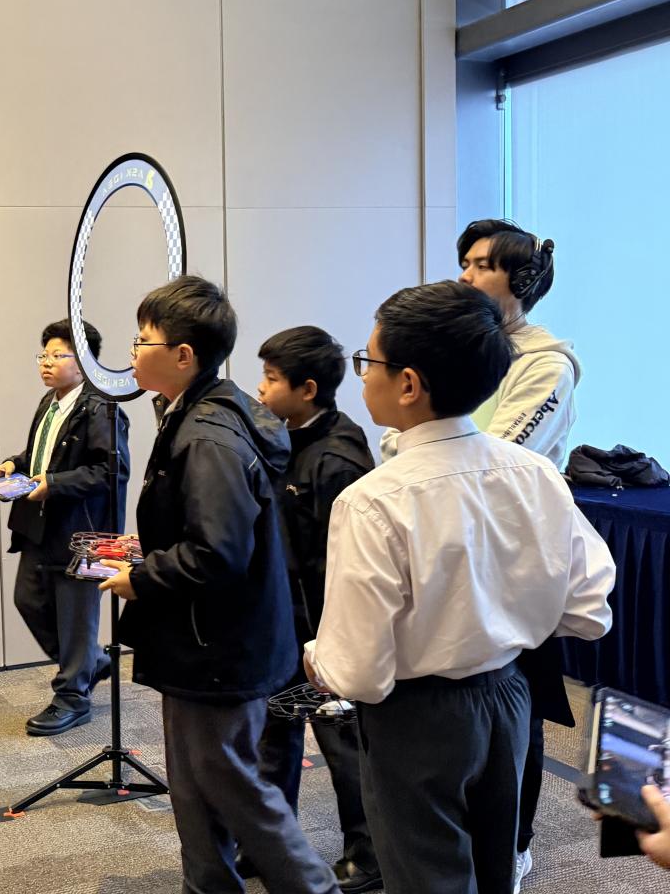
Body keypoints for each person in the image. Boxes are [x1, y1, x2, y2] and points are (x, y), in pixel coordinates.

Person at [306, 280, 615, 894]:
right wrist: (506, 617)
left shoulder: (373, 500)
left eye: (368, 361)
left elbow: (360, 673)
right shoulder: (535, 472)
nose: (362, 376)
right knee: (496, 869)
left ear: (409, 384)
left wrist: (320, 660)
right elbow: (589, 608)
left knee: (427, 877)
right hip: (510, 695)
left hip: (416, 716)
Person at [97, 276, 338, 894]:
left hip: (218, 646)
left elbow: (217, 552)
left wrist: (142, 577)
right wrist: (149, 550)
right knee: (194, 780)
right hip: (205, 639)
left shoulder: (207, 434)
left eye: (143, 339)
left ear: (184, 355)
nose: (133, 350)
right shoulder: (194, 412)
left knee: (229, 780)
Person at [382, 219, 582, 892]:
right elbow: (410, 431)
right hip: (450, 536)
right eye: (464, 262)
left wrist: (427, 448)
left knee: (516, 697)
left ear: (519, 280)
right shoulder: (462, 344)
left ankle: (514, 843)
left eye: (480, 265)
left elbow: (498, 452)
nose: (465, 275)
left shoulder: (546, 363)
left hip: (511, 549)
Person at [254, 326, 379, 893]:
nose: (261, 389)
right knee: (274, 734)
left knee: (341, 741)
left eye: (271, 379)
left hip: (325, 630)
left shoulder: (338, 458)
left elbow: (347, 566)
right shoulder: (283, 434)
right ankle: (271, 842)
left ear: (307, 389)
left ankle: (369, 853)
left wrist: (332, 643)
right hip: (284, 622)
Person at [0, 319, 128, 736]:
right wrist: (14, 464)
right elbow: (41, 453)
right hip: (39, 525)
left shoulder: (102, 408)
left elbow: (110, 471)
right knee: (28, 600)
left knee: (77, 617)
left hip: (83, 533)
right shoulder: (51, 401)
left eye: (57, 355)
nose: (46, 362)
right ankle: (90, 663)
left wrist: (55, 484)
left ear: (84, 362)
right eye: (43, 355)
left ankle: (73, 697)